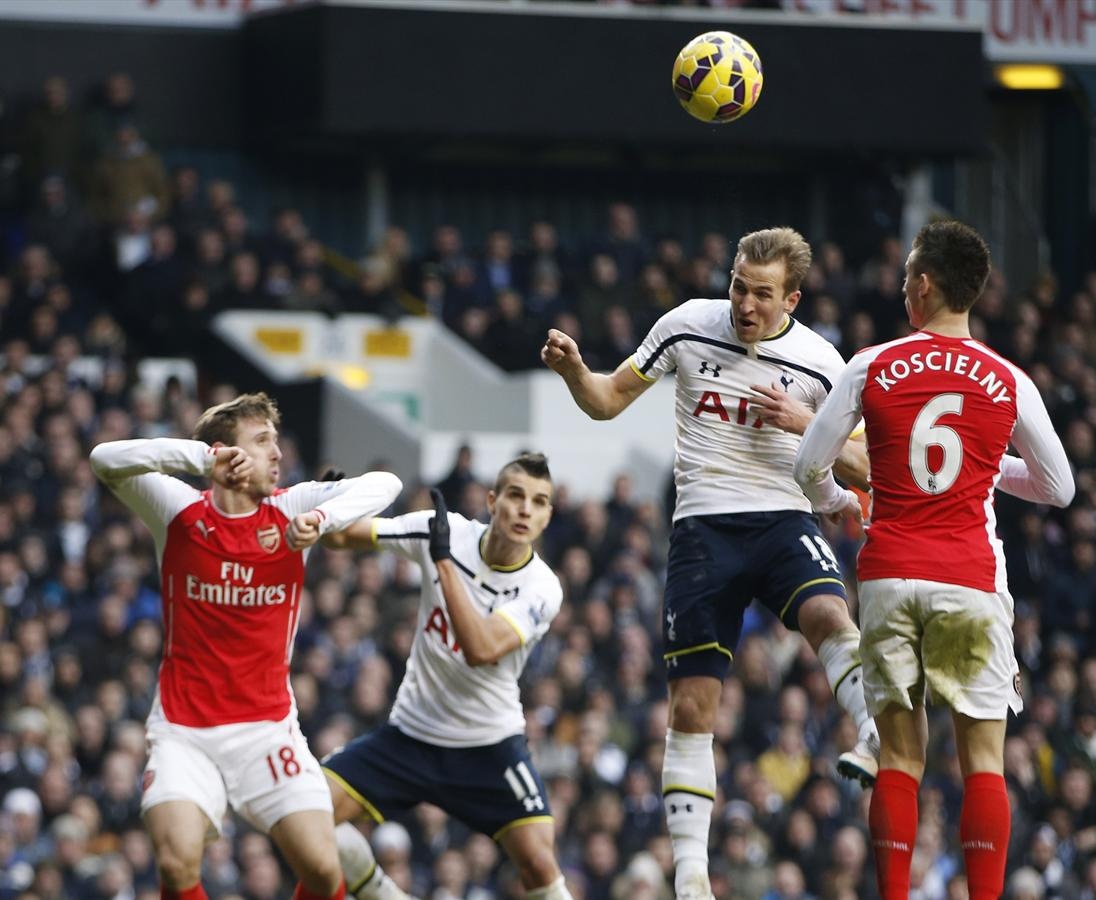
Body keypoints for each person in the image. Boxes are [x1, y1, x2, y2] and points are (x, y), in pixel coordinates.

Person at [540, 226, 878, 899]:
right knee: (693, 707)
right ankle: (691, 875)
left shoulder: (823, 364)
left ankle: (873, 730)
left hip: (783, 516)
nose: (744, 305)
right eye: (737, 286)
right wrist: (575, 370)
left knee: (829, 613)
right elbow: (607, 400)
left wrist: (803, 426)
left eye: (761, 295)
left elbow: (869, 463)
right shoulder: (688, 326)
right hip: (702, 529)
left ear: (793, 299)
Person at [792, 220, 1075, 900]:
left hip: (890, 576)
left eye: (906, 276)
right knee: (983, 763)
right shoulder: (1009, 380)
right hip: (970, 582)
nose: (900, 286)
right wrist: (989, 470)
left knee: (899, 758)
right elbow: (1059, 488)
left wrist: (840, 500)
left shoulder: (871, 364)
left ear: (922, 284)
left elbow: (809, 466)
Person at [89, 392, 403, 900]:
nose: (277, 453)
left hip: (266, 729)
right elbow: (104, 459)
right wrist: (198, 460)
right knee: (176, 860)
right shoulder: (179, 510)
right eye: (262, 442)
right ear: (224, 452)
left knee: (323, 870)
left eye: (275, 441)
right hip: (185, 732)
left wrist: (323, 521)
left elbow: (387, 484)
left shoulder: (291, 509)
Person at [316, 455, 570, 900]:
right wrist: (337, 503)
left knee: (540, 865)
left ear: (548, 516)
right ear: (492, 501)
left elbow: (481, 648)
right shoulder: (446, 530)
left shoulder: (542, 587)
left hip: (487, 744)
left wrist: (443, 563)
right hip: (412, 734)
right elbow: (340, 538)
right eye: (515, 496)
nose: (525, 510)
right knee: (305, 816)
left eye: (539, 502)